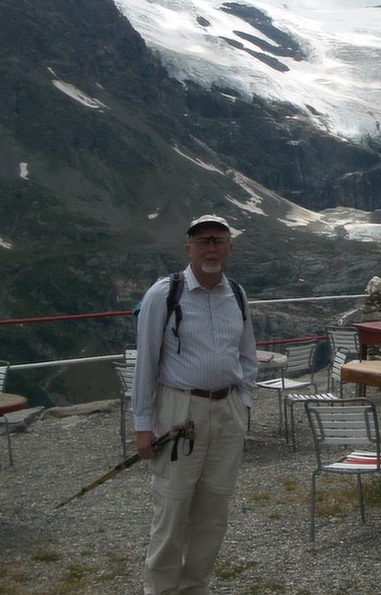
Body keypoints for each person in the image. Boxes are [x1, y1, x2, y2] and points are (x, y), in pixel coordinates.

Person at [132, 214, 258, 595]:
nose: (211, 248)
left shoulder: (236, 293)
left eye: (219, 241)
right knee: (172, 508)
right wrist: (143, 425)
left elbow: (248, 354)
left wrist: (244, 404)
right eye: (203, 241)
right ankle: (162, 590)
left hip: (227, 410)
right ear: (188, 248)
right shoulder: (164, 294)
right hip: (178, 411)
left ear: (229, 249)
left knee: (213, 512)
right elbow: (146, 363)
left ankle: (195, 587)